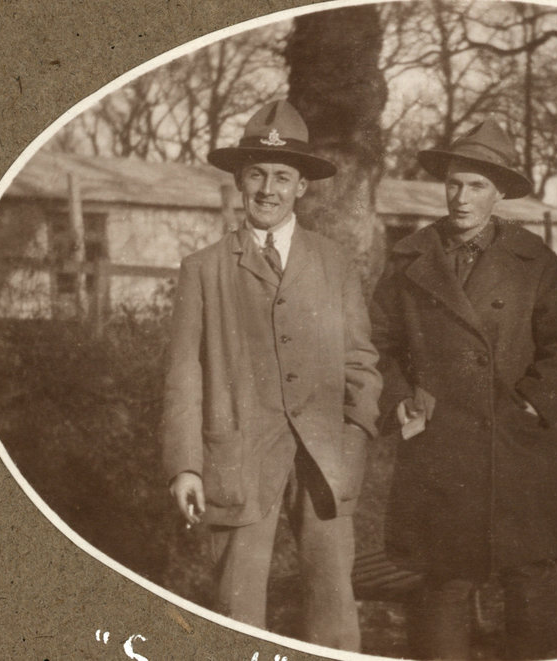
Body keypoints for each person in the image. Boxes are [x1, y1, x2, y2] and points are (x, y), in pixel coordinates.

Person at [161, 100, 381, 651]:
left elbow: (361, 361)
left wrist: (357, 435)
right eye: (257, 174)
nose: (268, 189)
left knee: (333, 608)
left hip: (325, 459)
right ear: (240, 180)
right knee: (236, 609)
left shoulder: (334, 264)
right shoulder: (204, 269)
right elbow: (184, 374)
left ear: (302, 186)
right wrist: (185, 465)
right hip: (237, 457)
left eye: (283, 176)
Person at [370, 119, 557, 659]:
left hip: (516, 447)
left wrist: (533, 405)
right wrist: (400, 399)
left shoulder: (532, 259)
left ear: (498, 193)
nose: (462, 197)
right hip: (438, 447)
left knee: (529, 582)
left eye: (477, 186)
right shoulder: (409, 258)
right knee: (443, 585)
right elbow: (377, 345)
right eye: (454, 183)